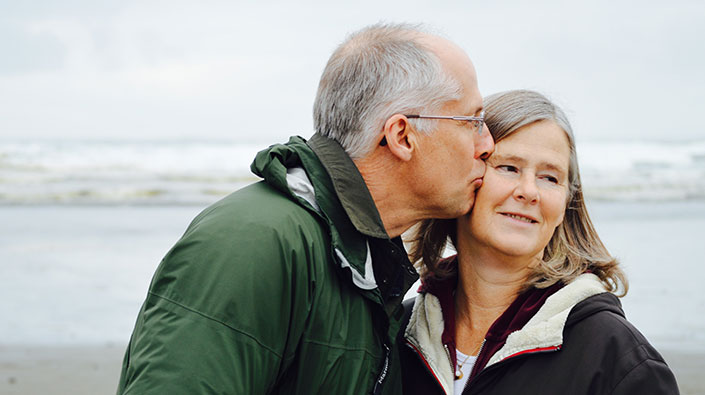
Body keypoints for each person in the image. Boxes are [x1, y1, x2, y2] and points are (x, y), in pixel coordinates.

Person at [117, 23, 494, 394]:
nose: (487, 144)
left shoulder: (361, 259)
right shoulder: (254, 242)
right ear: (401, 136)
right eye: (473, 121)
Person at [399, 90, 679, 394]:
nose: (529, 191)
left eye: (550, 177)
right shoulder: (398, 333)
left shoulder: (619, 360)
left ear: (564, 206)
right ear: (465, 177)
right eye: (509, 167)